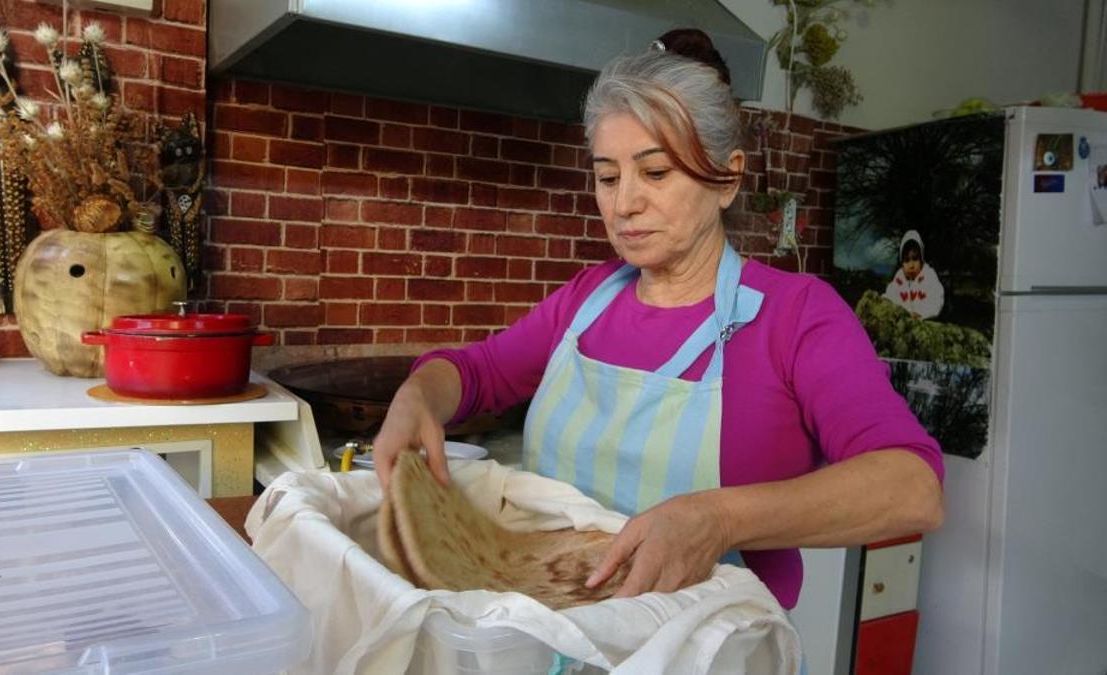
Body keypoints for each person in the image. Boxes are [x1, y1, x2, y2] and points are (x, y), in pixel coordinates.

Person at [373, 28, 944, 610]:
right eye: (608, 177)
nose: (624, 204)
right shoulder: (587, 300)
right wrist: (418, 396)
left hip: (708, 644)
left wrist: (719, 519)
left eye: (655, 172)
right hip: (552, 632)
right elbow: (476, 371)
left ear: (727, 178)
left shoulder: (794, 317)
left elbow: (912, 486)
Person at [884, 230, 944, 320]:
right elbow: (890, 295)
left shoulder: (928, 276)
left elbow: (937, 297)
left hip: (923, 320)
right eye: (906, 260)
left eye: (915, 259)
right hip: (902, 321)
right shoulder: (899, 279)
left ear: (921, 259)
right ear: (902, 263)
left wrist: (923, 314)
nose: (911, 265)